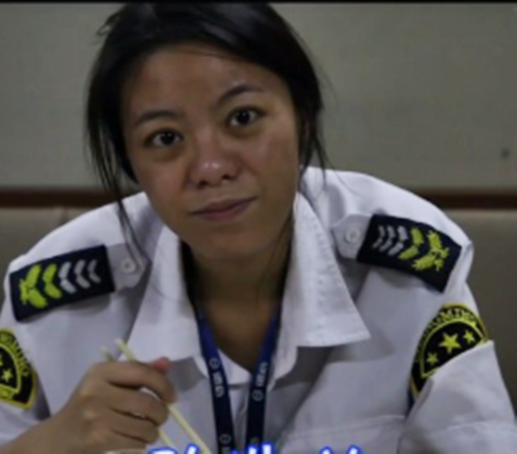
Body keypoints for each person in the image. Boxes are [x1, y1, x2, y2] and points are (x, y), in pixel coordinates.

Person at [0, 3, 515, 454]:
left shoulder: (408, 271)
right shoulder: (57, 300)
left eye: (242, 117)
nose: (210, 168)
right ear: (132, 164)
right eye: (165, 138)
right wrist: (54, 442)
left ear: (303, 117)